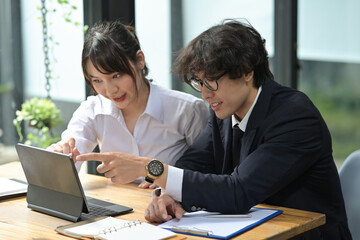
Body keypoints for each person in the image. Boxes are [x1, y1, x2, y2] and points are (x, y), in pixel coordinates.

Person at [76, 19, 352, 239]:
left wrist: (150, 168)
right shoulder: (223, 111)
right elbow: (194, 163)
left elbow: (237, 191)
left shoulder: (294, 116)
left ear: (246, 71)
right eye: (199, 83)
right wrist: (166, 196)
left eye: (212, 82)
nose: (205, 94)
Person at [47, 19, 209, 188]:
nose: (110, 91)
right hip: (120, 208)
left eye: (116, 76)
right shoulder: (94, 110)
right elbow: (71, 151)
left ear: (139, 60)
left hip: (171, 210)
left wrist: (158, 174)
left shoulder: (187, 109)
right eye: (97, 80)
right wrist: (60, 154)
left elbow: (208, 173)